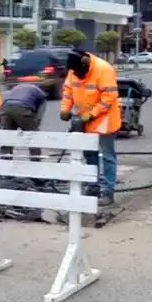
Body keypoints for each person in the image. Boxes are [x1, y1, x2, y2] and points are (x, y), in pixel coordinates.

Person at [59, 49, 121, 206]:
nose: (77, 75)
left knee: (107, 154)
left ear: (85, 64)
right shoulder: (74, 70)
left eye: (80, 72)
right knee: (89, 154)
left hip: (104, 118)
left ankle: (108, 191)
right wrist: (65, 109)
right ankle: (93, 186)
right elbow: (68, 91)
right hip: (85, 119)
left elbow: (109, 97)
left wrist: (93, 114)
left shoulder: (103, 69)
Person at [0, 82, 48, 160]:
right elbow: (39, 116)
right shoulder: (42, 95)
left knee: (7, 137)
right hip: (23, 108)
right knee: (33, 136)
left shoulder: (18, 86)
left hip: (5, 108)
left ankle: (5, 160)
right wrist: (33, 126)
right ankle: (35, 160)